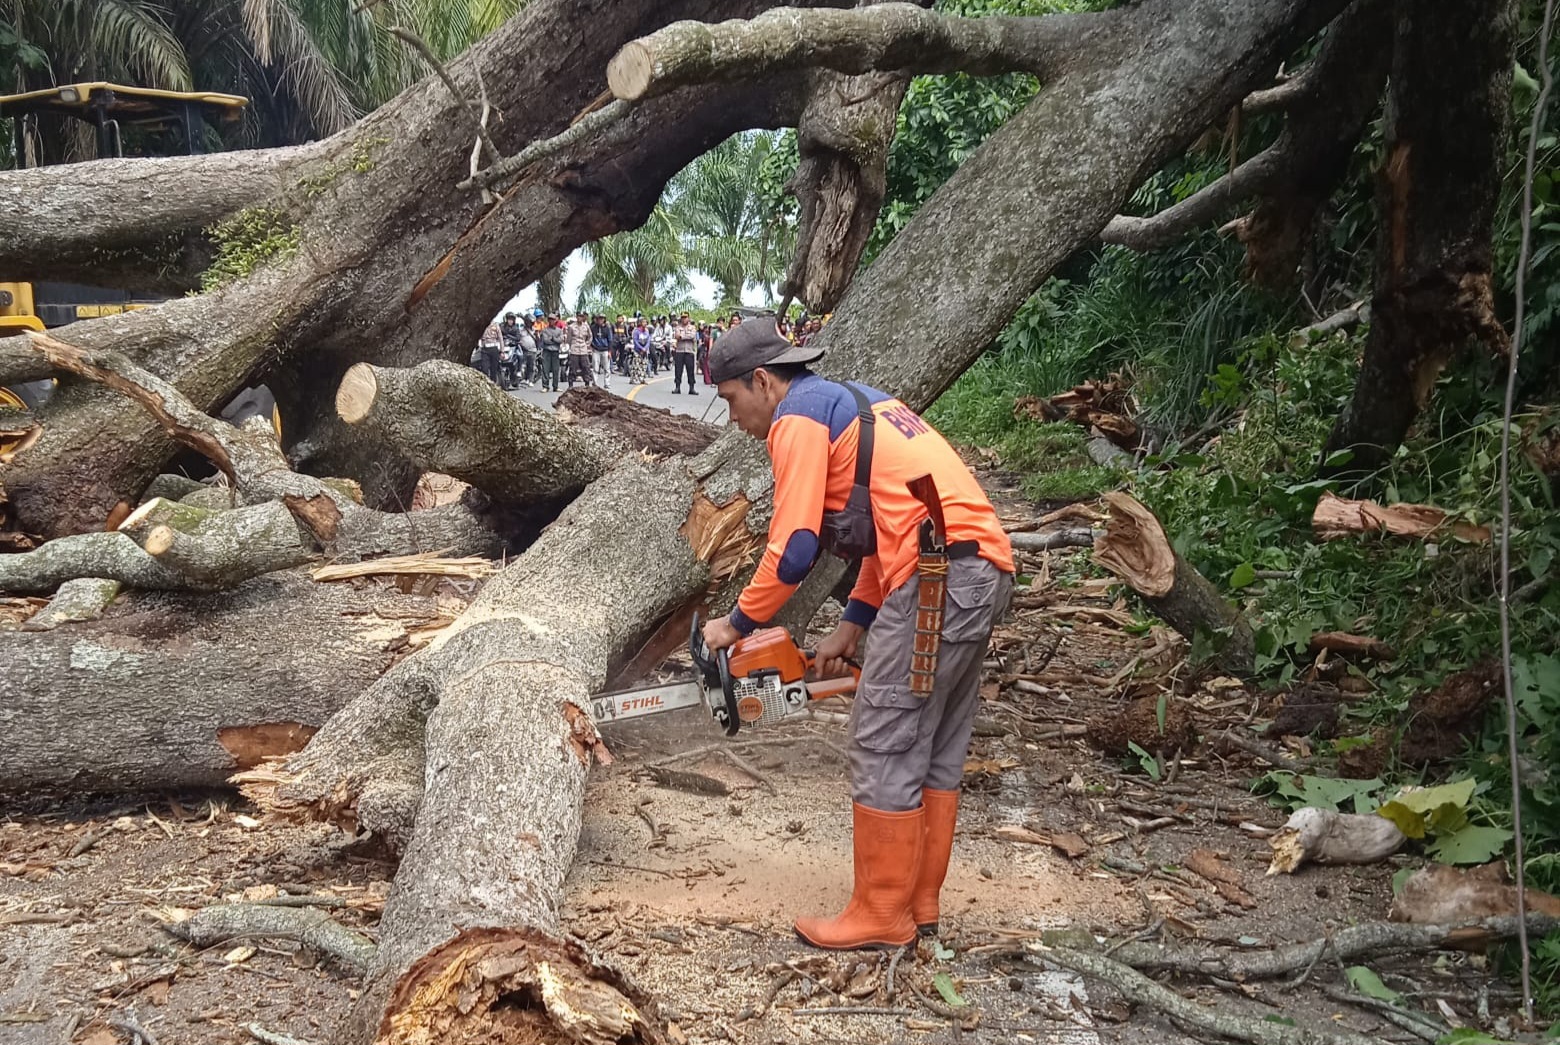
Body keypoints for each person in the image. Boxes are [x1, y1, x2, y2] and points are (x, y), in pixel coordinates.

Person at [701, 322, 1014, 951]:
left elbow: (792, 549)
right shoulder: (857, 405)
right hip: (976, 568)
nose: (733, 419)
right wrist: (854, 626)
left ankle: (880, 912)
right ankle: (917, 904)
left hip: (940, 578)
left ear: (763, 381)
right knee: (934, 739)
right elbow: (889, 529)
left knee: (884, 739)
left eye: (732, 399)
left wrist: (733, 625)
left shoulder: (797, 420)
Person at [566, 309, 594, 388]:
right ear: (576, 317)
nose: (580, 318)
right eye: (579, 316)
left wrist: (587, 344)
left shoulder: (586, 326)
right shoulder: (571, 327)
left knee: (586, 367)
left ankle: (587, 383)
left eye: (581, 316)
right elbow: (569, 339)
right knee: (573, 368)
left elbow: (590, 336)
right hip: (574, 350)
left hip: (583, 349)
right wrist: (570, 347)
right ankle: (570, 384)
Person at [672, 311, 698, 394]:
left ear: (688, 318)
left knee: (690, 370)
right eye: (683, 317)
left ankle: (691, 388)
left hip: (689, 351)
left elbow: (692, 336)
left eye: (685, 317)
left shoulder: (693, 327)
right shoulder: (677, 327)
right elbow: (676, 336)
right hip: (679, 351)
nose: (684, 319)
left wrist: (681, 337)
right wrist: (684, 337)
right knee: (678, 370)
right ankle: (677, 387)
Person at [537, 313, 564, 392]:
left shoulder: (559, 330)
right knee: (545, 369)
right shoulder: (545, 330)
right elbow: (546, 340)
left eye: (553, 319)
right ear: (548, 320)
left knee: (556, 369)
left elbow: (560, 340)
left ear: (555, 320)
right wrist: (555, 340)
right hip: (547, 351)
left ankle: (555, 386)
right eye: (550, 319)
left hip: (555, 351)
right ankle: (545, 386)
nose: (551, 321)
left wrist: (553, 339)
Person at [499, 312, 524, 389]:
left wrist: (510, 337)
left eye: (512, 319)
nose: (510, 321)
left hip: (514, 346)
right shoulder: (502, 326)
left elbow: (518, 337)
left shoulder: (516, 328)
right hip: (504, 346)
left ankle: (519, 371)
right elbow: (499, 334)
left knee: (520, 355)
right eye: (509, 319)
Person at [591, 313, 614, 389]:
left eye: (602, 319)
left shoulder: (607, 329)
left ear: (604, 319)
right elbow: (590, 338)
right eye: (599, 319)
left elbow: (610, 340)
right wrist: (592, 347)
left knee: (607, 368)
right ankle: (595, 383)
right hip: (596, 350)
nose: (600, 320)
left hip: (605, 350)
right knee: (595, 367)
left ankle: (607, 383)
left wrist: (610, 351)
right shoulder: (593, 328)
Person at [629, 317, 652, 385]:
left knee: (644, 365)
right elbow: (635, 341)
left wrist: (645, 348)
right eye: (643, 322)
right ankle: (633, 379)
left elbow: (648, 340)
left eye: (646, 322)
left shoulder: (646, 331)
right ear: (640, 323)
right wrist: (641, 348)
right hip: (638, 350)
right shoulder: (636, 331)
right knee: (636, 365)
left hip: (645, 351)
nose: (645, 323)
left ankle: (642, 379)